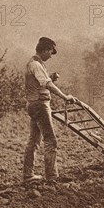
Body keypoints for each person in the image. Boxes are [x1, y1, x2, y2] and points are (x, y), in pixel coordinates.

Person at [23, 37, 77, 183]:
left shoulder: (33, 64)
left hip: (32, 104)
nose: (51, 55)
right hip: (40, 105)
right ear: (45, 50)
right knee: (51, 141)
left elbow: (41, 82)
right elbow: (46, 84)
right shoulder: (36, 65)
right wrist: (65, 97)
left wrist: (51, 77)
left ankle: (28, 175)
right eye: (50, 52)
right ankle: (52, 177)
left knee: (33, 140)